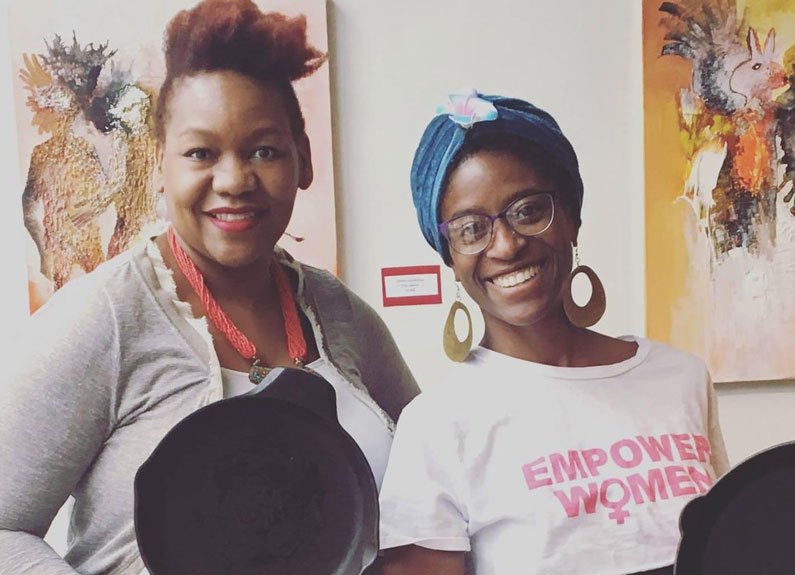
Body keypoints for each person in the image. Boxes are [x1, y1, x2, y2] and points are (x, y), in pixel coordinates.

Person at [0, 1, 418, 573]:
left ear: (304, 159)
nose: (233, 180)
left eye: (263, 151)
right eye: (201, 152)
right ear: (161, 166)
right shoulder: (108, 316)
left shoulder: (340, 316)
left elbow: (433, 475)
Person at [378, 90, 729, 575]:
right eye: (471, 228)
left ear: (572, 219)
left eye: (527, 210)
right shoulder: (437, 425)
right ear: (450, 258)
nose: (506, 244)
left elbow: (729, 547)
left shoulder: (680, 378)